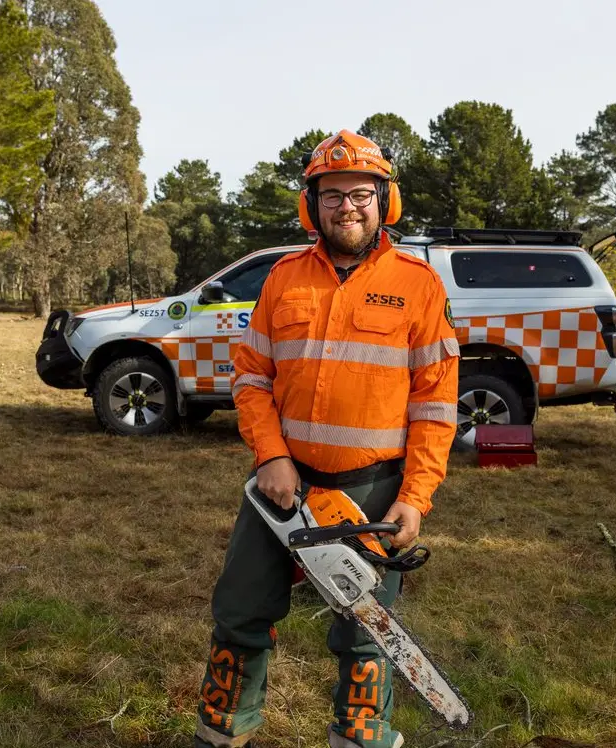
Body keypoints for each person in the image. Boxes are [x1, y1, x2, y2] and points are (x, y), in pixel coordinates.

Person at [192, 129, 460, 748]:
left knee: (368, 627)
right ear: (312, 204)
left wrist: (415, 497)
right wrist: (272, 456)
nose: (348, 206)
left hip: (372, 488)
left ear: (384, 201)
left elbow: (436, 402)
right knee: (241, 609)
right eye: (333, 194)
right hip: (280, 487)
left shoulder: (419, 286)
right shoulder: (284, 279)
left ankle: (361, 738)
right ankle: (222, 730)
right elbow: (252, 378)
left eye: (361, 194)